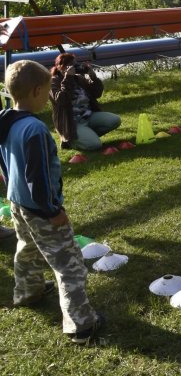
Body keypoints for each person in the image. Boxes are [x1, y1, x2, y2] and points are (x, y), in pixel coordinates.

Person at [0, 60, 104, 343]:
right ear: (36, 91)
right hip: (39, 209)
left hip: (17, 204)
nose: (48, 96)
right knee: (69, 265)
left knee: (28, 249)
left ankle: (28, 292)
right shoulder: (34, 130)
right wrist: (52, 211)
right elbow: (39, 177)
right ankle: (81, 325)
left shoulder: (5, 120)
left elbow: (4, 164)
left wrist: (12, 190)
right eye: (47, 91)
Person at [50, 53, 121, 151]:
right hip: (72, 122)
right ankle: (70, 142)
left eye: (75, 65)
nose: (74, 68)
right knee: (95, 145)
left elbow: (96, 94)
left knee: (115, 120)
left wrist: (93, 78)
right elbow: (62, 100)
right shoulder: (53, 82)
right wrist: (68, 78)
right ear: (59, 67)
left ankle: (87, 135)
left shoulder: (79, 78)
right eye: (69, 65)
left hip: (88, 116)